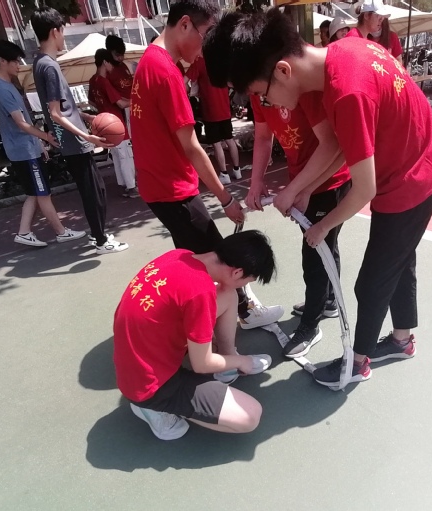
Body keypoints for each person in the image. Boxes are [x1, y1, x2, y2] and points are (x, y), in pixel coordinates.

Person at [203, 9, 432, 387]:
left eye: (262, 94)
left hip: (408, 183)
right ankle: (402, 340)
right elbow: (338, 145)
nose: (266, 103)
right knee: (399, 263)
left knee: (372, 282)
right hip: (415, 167)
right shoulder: (344, 53)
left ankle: (356, 364)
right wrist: (299, 190)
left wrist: (321, 227)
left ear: (283, 71)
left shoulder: (347, 92)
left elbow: (363, 189)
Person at [204, 16, 351, 359]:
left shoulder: (296, 83)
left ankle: (311, 323)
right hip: (303, 179)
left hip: (328, 180)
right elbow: (262, 137)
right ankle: (326, 301)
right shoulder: (259, 88)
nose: (245, 92)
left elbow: (332, 146)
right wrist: (256, 182)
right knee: (324, 246)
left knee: (315, 252)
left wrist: (298, 190)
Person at [130, 0, 283, 330]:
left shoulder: (149, 61)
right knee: (220, 259)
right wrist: (225, 199)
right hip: (172, 189)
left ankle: (202, 313)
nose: (205, 48)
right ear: (185, 24)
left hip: (159, 185)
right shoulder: (165, 72)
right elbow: (192, 147)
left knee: (196, 259)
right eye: (206, 34)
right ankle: (242, 312)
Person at [114, 230, 275, 439]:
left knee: (228, 294)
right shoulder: (200, 291)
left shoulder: (180, 255)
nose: (243, 287)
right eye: (245, 282)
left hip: (135, 359)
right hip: (150, 386)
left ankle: (226, 365)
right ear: (237, 272)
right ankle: (151, 408)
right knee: (250, 416)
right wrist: (242, 361)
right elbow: (202, 365)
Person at [30, 6, 128, 254]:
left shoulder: (40, 63)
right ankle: (101, 241)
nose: (63, 37)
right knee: (93, 192)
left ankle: (99, 235)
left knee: (96, 189)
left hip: (70, 138)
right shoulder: (49, 66)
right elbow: (55, 113)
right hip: (73, 141)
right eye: (63, 31)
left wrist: (85, 116)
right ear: (55, 31)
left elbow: (62, 108)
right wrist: (87, 136)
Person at [0, 40, 87, 247]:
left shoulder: (6, 85)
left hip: (27, 148)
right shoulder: (2, 89)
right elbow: (21, 123)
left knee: (34, 193)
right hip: (24, 151)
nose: (19, 65)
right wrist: (45, 137)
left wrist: (39, 143)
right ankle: (61, 232)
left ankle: (24, 232)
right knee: (43, 193)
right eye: (15, 61)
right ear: (2, 61)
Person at [185, 55, 250, 184]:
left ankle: (224, 174)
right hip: (224, 108)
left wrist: (188, 92)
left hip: (210, 110)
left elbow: (184, 81)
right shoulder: (221, 61)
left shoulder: (199, 62)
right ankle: (237, 170)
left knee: (216, 143)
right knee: (229, 139)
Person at [88, 48, 138, 199]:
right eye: (110, 63)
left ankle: (123, 184)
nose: (112, 67)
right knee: (125, 155)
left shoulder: (93, 80)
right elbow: (121, 103)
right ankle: (131, 187)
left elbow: (91, 102)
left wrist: (103, 107)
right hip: (116, 123)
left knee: (116, 155)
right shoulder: (104, 81)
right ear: (105, 62)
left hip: (104, 123)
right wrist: (137, 100)